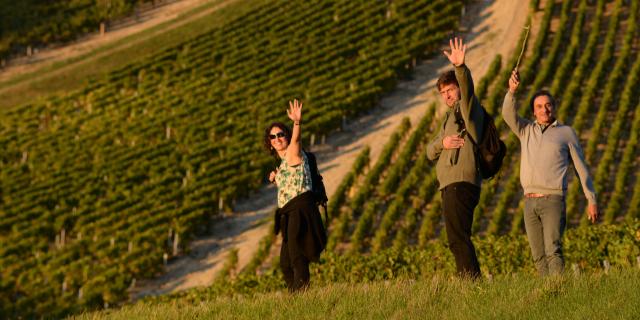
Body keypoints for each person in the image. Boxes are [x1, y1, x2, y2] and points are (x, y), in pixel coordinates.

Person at [502, 70, 598, 276]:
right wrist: (512, 91)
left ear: (554, 108)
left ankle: (559, 293)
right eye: (539, 107)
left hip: (553, 199)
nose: (544, 110)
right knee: (537, 255)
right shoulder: (525, 130)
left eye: (548, 105)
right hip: (529, 201)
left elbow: (582, 168)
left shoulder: (566, 133)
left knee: (552, 250)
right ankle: (547, 295)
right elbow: (507, 115)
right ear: (533, 112)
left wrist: (591, 199)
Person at [426, 38, 485, 278]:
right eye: (443, 93)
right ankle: (468, 280)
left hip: (461, 183)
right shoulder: (449, 119)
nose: (448, 96)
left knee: (458, 237)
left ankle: (470, 282)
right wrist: (444, 142)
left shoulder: (467, 110)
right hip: (449, 185)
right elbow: (430, 152)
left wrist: (461, 68)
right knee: (456, 238)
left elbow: (468, 91)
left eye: (451, 90)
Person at [264, 99, 327, 292]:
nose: (277, 139)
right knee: (285, 262)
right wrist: (277, 179)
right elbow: (291, 184)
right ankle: (296, 297)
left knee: (297, 257)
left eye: (281, 134)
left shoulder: (293, 151)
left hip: (300, 210)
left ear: (287, 136)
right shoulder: (284, 164)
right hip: (291, 212)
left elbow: (296, 141)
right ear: (270, 144)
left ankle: (301, 296)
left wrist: (297, 122)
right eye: (273, 137)